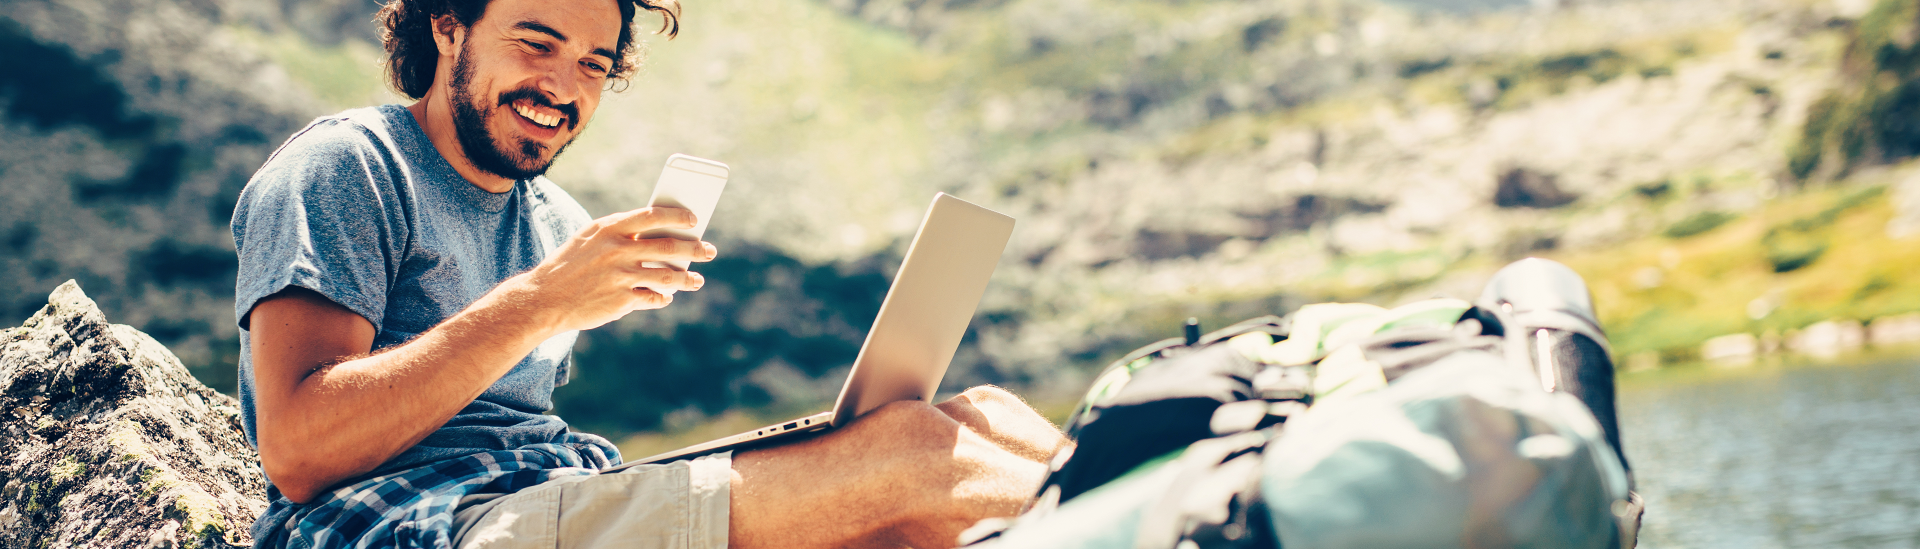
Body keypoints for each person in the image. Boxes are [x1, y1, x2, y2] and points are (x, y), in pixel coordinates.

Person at [229, 0, 1070, 547]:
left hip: (544, 493)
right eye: (537, 42)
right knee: (913, 455)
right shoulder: (348, 166)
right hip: (410, 525)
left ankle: (1178, 475)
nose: (562, 86)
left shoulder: (552, 216)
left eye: (594, 64)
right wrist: (543, 299)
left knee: (965, 431)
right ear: (448, 25)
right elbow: (301, 450)